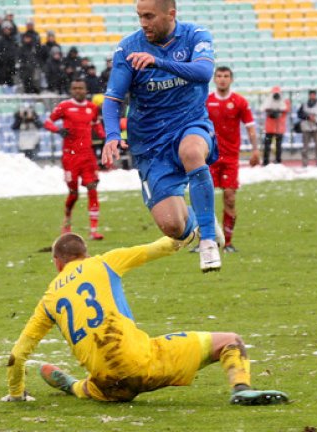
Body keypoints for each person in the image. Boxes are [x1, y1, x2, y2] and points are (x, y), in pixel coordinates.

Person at [0, 232, 290, 406]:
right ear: (84, 253)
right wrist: (190, 229)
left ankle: (74, 386)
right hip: (142, 363)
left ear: (57, 263)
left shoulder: (49, 299)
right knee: (230, 341)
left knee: (93, 386)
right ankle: (242, 390)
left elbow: (17, 355)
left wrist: (16, 394)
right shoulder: (103, 262)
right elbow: (163, 246)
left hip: (106, 385)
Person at [101, 0, 224, 273]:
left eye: (149, 16)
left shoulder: (195, 36)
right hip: (149, 143)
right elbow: (112, 99)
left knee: (192, 152)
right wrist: (111, 134)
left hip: (189, 123)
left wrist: (159, 62)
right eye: (139, 17)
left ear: (171, 14)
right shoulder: (128, 48)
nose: (143, 23)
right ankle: (201, 219)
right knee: (173, 227)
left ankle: (207, 241)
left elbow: (204, 73)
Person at [202, 66, 259, 253]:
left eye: (226, 76)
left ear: (231, 79)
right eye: (219, 76)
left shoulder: (239, 101)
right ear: (214, 79)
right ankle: (206, 240)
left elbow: (250, 127)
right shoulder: (206, 101)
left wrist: (255, 150)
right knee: (203, 199)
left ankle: (227, 242)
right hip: (209, 157)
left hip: (230, 159)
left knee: (230, 198)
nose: (222, 79)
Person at [44, 79, 106, 240]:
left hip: (88, 156)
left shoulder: (92, 108)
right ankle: (67, 221)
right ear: (71, 90)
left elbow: (97, 126)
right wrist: (58, 130)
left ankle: (93, 230)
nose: (78, 91)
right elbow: (48, 122)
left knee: (92, 188)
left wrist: (108, 138)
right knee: (74, 194)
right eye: (75, 88)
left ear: (86, 90)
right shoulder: (64, 107)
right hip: (70, 157)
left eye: (81, 88)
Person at [260, 86, 290, 165]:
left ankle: (278, 161)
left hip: (279, 127)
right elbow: (263, 108)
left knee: (278, 146)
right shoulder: (268, 100)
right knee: (267, 146)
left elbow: (286, 109)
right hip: (270, 127)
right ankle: (266, 162)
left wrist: (278, 111)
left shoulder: (284, 101)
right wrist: (271, 112)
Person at [297, 90, 317, 168]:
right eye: (311, 95)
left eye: (313, 95)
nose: (312, 96)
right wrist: (308, 117)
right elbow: (299, 114)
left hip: (316, 127)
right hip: (306, 128)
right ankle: (305, 163)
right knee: (305, 148)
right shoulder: (304, 105)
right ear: (309, 96)